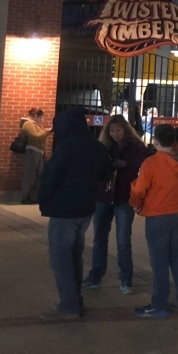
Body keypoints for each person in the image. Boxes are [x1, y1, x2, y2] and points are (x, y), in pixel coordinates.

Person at [37, 106, 109, 320]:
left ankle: (69, 306)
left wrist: (44, 200)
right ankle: (74, 300)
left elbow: (50, 177)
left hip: (63, 210)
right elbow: (104, 173)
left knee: (61, 259)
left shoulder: (66, 148)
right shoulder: (97, 147)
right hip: (85, 209)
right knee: (74, 256)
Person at [82, 115, 151, 294]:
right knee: (99, 238)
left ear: (125, 130)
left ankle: (126, 279)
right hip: (103, 196)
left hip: (123, 198)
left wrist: (125, 164)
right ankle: (96, 276)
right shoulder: (103, 146)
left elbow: (144, 165)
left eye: (118, 130)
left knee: (122, 241)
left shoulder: (136, 147)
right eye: (112, 131)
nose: (115, 134)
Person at [130, 123, 178, 318]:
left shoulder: (151, 164)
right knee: (177, 257)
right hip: (177, 214)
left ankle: (159, 304)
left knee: (159, 262)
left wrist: (135, 203)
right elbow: (177, 146)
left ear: (155, 140)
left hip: (157, 215)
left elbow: (139, 190)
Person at [19, 108, 52, 204]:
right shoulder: (28, 124)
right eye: (41, 117)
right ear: (36, 116)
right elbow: (35, 136)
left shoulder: (34, 124)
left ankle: (33, 196)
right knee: (30, 175)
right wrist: (46, 131)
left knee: (38, 175)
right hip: (32, 151)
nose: (42, 120)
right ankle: (25, 197)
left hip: (38, 152)